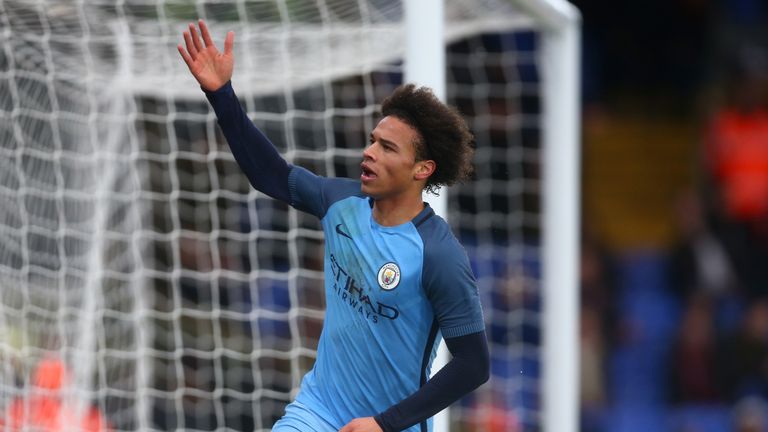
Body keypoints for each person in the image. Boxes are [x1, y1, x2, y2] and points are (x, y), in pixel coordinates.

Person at [177, 20, 489, 432]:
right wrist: (221, 95)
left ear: (422, 169)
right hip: (316, 410)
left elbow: (473, 364)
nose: (369, 151)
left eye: (387, 147)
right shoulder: (342, 202)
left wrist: (383, 423)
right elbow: (270, 174)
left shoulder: (439, 255)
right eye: (373, 140)